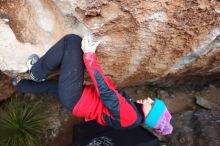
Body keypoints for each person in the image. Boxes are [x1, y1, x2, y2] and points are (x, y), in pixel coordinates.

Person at [13, 34, 173, 135]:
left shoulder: (131, 116)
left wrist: (89, 56)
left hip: (76, 97)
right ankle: (19, 84)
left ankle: (37, 72)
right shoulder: (133, 117)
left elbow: (105, 92)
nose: (149, 99)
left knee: (72, 41)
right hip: (77, 101)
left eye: (151, 104)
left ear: (151, 115)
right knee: (50, 87)